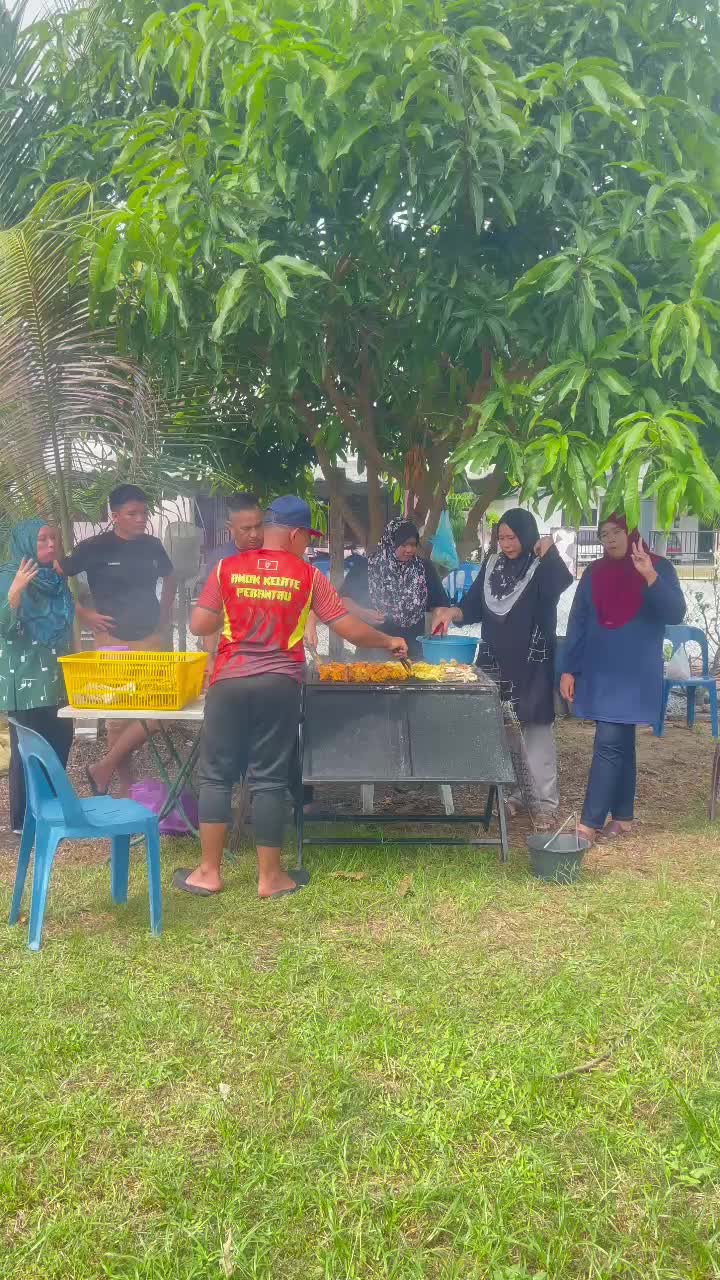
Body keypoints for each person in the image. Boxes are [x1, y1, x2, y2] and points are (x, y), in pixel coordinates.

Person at [173, 495, 409, 900]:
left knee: (216, 776)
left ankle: (208, 873)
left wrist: (233, 608)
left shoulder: (226, 568)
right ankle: (270, 878)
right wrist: (388, 640)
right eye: (307, 538)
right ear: (296, 534)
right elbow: (347, 627)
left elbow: (199, 624)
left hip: (228, 683)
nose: (307, 544)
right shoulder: (307, 575)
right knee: (269, 778)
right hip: (278, 685)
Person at [560, 514, 686, 844]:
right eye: (604, 534)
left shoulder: (658, 566)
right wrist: (569, 668)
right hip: (600, 670)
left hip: (634, 674)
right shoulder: (594, 572)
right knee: (621, 742)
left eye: (617, 532)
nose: (611, 539)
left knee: (608, 741)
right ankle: (623, 818)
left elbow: (675, 613)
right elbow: (578, 621)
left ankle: (588, 825)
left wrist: (649, 575)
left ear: (632, 533)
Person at [446, 509, 573, 823]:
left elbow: (561, 582)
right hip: (496, 662)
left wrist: (550, 552)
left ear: (526, 535)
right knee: (504, 733)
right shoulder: (492, 566)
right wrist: (451, 613)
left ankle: (545, 804)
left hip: (532, 664)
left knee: (536, 732)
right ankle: (516, 795)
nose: (506, 544)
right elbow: (473, 606)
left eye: (512, 537)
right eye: (501, 538)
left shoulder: (540, 566)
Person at [60, 484, 177, 796]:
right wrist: (83, 613)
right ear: (115, 516)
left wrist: (165, 614)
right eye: (132, 513)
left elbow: (170, 577)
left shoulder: (153, 545)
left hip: (150, 638)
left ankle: (104, 766)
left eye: (144, 513)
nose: (141, 519)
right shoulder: (93, 547)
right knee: (118, 719)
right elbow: (56, 576)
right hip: (112, 641)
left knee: (162, 713)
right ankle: (125, 787)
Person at [0, 520, 76, 831]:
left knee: (60, 741)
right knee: (28, 751)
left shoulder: (54, 579)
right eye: (42, 539)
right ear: (26, 543)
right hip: (26, 680)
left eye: (53, 538)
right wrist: (15, 592)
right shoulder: (7, 576)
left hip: (57, 677)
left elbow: (66, 622)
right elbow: (4, 629)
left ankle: (51, 809)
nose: (51, 545)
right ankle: (24, 819)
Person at [341, 517, 451, 659]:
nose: (409, 550)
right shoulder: (366, 567)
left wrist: (439, 621)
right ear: (389, 542)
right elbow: (342, 601)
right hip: (372, 653)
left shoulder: (424, 569)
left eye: (413, 544)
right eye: (403, 545)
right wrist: (362, 613)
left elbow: (440, 605)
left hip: (412, 653)